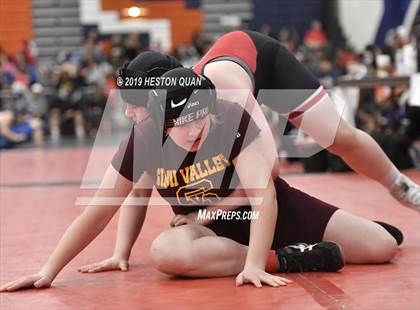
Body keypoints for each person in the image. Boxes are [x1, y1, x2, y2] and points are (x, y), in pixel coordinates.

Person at [0, 68, 402, 292]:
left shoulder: (230, 117)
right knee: (166, 253)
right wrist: (49, 270)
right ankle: (294, 257)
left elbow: (264, 196)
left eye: (200, 117)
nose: (195, 130)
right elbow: (99, 211)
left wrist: (228, 232)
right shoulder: (144, 138)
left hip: (266, 211)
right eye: (183, 123)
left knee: (383, 246)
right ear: (162, 121)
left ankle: (322, 238)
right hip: (210, 234)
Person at [188, 30, 419, 209]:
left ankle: (403, 188)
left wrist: (212, 211)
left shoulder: (231, 99)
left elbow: (272, 167)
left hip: (265, 60)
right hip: (229, 73)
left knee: (339, 138)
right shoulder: (168, 126)